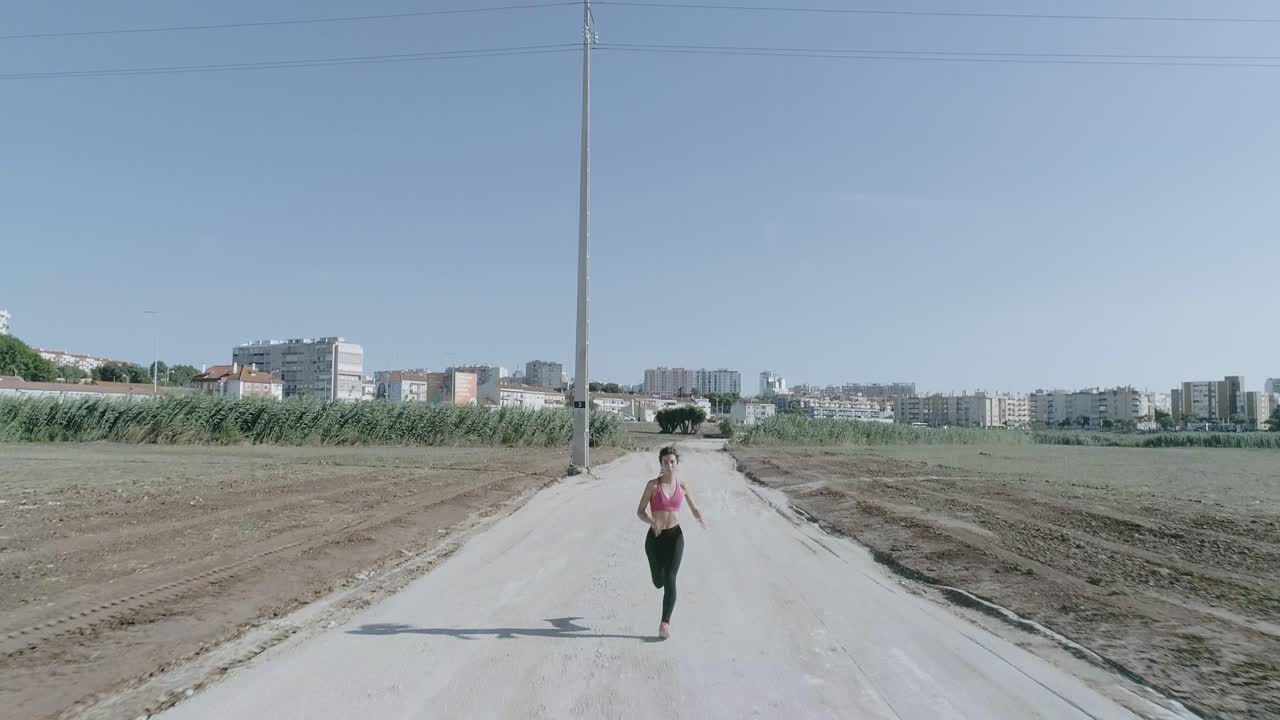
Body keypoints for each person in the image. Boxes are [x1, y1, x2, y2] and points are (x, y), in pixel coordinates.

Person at [636, 445, 705, 639]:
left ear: (677, 464)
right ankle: (658, 582)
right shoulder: (652, 486)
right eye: (665, 462)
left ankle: (665, 623)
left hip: (675, 537)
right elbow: (640, 511)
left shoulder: (682, 487)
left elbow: (694, 508)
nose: (669, 465)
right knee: (658, 582)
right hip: (655, 539)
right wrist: (651, 522)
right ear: (661, 465)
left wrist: (701, 519)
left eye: (672, 462)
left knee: (670, 577)